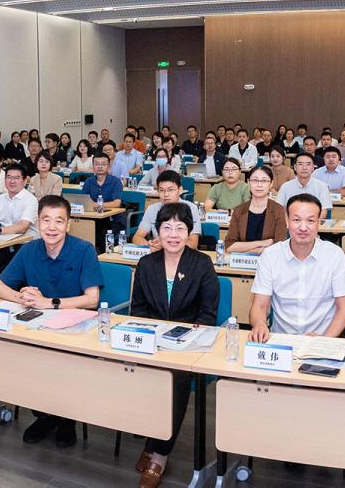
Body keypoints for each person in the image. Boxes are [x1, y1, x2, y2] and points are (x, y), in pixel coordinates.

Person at [0, 195, 103, 447]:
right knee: (28, 359)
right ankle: (44, 416)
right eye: (46, 220)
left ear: (68, 224)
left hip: (74, 328)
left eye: (58, 221)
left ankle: (66, 420)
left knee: (63, 363)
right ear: (38, 222)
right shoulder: (29, 249)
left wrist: (49, 303)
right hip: (37, 326)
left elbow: (92, 299)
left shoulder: (84, 250)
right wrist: (22, 297)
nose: (52, 227)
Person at [129, 203, 220, 488]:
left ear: (189, 232)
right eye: (166, 227)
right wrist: (153, 338)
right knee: (139, 376)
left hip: (188, 347)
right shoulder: (147, 264)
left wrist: (184, 340)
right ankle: (151, 439)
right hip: (152, 342)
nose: (173, 234)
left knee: (174, 380)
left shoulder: (201, 264)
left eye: (180, 228)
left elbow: (208, 314)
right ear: (157, 231)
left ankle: (159, 454)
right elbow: (138, 310)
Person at [249, 194, 345, 341]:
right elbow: (259, 306)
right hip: (281, 340)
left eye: (310, 221)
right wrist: (260, 324)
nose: (303, 227)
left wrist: (324, 340)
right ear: (287, 221)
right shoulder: (271, 255)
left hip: (324, 338)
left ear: (319, 222)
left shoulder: (334, 255)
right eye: (296, 220)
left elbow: (344, 310)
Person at [224, 166, 287, 254]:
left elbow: (279, 246)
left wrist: (245, 249)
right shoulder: (239, 210)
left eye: (264, 181)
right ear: (248, 182)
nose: (259, 185)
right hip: (242, 261)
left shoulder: (278, 210)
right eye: (255, 180)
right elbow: (229, 246)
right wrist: (261, 243)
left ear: (271, 183)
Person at [132, 171, 201, 249]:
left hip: (184, 254)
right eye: (161, 190)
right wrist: (149, 245)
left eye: (170, 190)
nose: (166, 194)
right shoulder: (152, 209)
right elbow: (137, 237)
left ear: (180, 190)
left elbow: (193, 243)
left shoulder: (191, 208)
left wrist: (165, 245)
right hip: (159, 253)